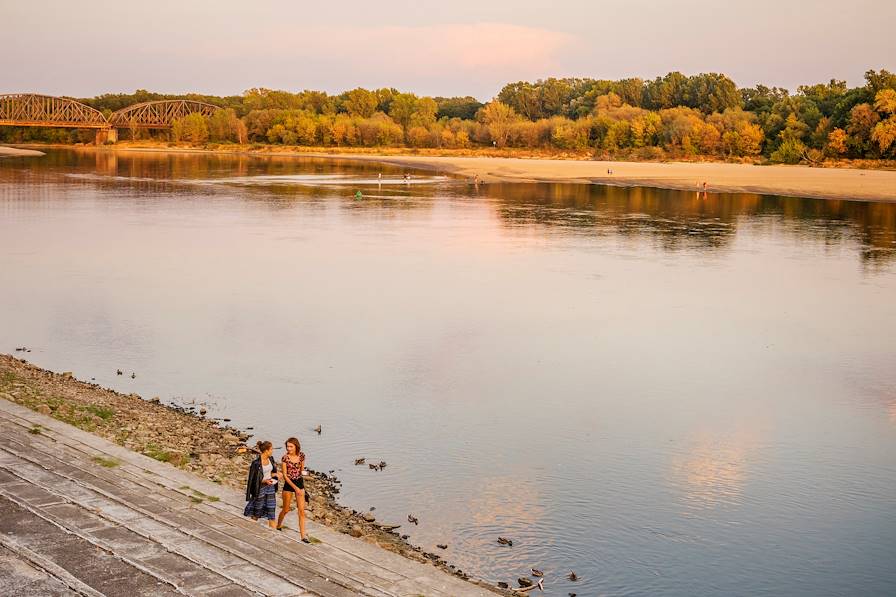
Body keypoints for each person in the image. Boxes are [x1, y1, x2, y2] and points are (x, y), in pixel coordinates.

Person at [276, 437, 309, 542]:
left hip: (299, 482)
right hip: (289, 484)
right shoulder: (285, 458)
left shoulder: (302, 456)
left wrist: (306, 474)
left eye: (291, 446)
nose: (288, 448)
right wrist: (295, 488)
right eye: (287, 446)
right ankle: (278, 525)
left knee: (301, 511)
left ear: (296, 446)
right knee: (286, 509)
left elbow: (302, 470)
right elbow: (285, 476)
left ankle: (303, 536)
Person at [243, 440, 279, 528]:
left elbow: (270, 473)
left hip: (270, 487)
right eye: (271, 449)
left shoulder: (271, 459)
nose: (272, 451)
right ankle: (251, 529)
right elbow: (254, 479)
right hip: (260, 488)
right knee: (257, 511)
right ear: (266, 451)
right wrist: (264, 481)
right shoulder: (256, 463)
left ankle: (273, 534)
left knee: (271, 510)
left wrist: (276, 474)